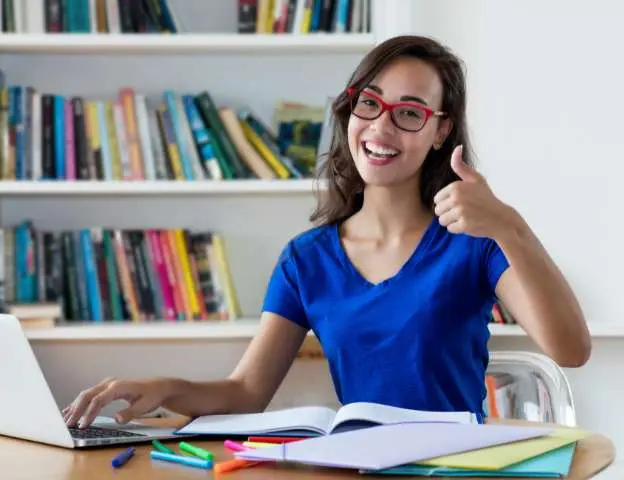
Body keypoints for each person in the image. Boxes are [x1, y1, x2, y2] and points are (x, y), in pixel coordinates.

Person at [63, 35, 591, 429]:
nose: (381, 128)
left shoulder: (475, 241)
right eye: (370, 103)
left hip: (456, 469)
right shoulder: (306, 259)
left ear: (441, 130)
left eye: (409, 113)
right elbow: (247, 391)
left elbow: (570, 350)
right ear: (350, 109)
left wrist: (510, 226)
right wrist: (163, 387)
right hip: (357, 465)